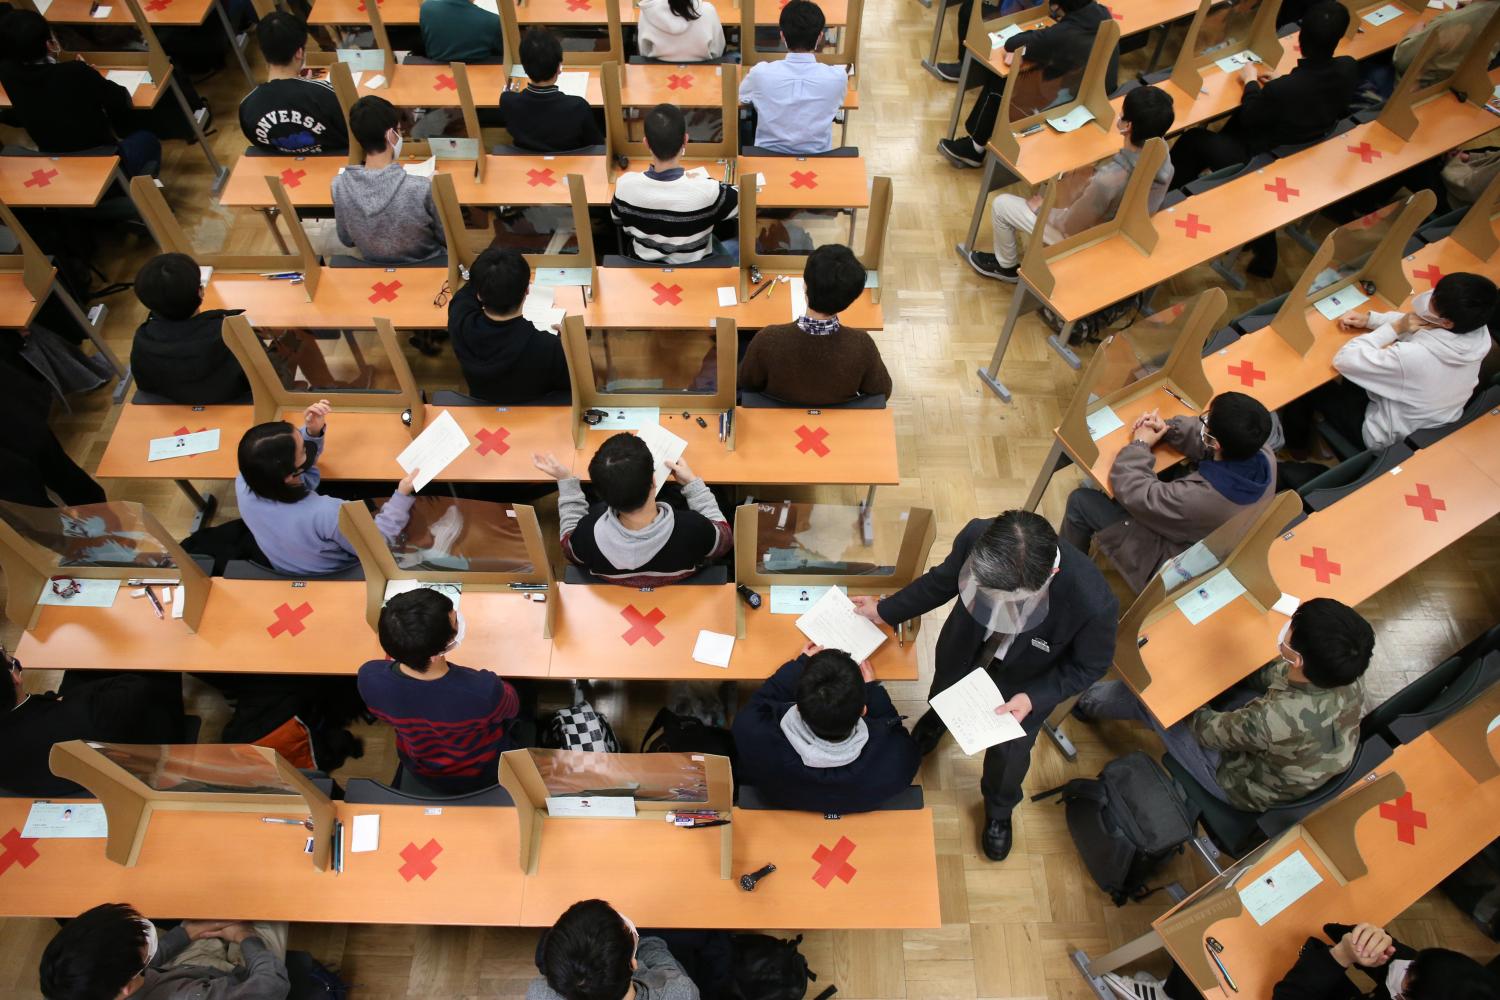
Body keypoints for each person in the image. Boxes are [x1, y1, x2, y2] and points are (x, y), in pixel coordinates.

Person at [852, 510, 1118, 862]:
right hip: (964, 650)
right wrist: (885, 611)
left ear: (1049, 576)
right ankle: (939, 720)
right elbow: (941, 581)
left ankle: (999, 809)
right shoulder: (978, 534)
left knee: (1009, 758)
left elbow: (1091, 665)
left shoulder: (1093, 602)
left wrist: (1034, 698)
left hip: (1027, 683)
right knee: (944, 695)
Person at [1078, 598, 1374, 810]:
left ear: (1298, 659)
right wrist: (1230, 668)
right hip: (1301, 764)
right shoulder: (1345, 672)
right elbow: (1278, 675)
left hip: (1241, 783)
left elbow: (1205, 730)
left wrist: (1189, 678)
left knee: (1153, 696)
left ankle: (1081, 699)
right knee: (1219, 688)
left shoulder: (1272, 720)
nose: (1287, 630)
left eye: (1291, 630)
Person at [1169, 2, 1357, 275]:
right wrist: (1283, 82)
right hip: (1305, 144)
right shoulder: (1348, 68)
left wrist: (1250, 82)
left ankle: (1169, 202)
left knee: (1193, 140)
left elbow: (1251, 116)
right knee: (1227, 129)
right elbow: (1314, 88)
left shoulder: (1285, 90)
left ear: (1301, 38)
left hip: (1263, 156)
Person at [1060, 391, 1276, 591]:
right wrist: (1168, 428)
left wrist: (1140, 444)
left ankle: (1062, 577)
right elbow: (1204, 443)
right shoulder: (1264, 455)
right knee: (1166, 470)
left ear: (1216, 443)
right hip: (1210, 541)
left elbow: (1133, 490)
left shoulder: (1198, 498)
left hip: (1170, 564)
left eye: (1207, 421)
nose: (1204, 423)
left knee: (1081, 501)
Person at [966, 84, 1174, 281]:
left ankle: (1006, 266)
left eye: (1123, 112)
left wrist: (1042, 210)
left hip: (1092, 238)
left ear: (1127, 126)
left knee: (1002, 205)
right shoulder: (1162, 154)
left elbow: (1071, 225)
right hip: (1129, 226)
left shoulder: (1107, 181)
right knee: (1065, 185)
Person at [1281, 272, 1497, 452]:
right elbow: (1419, 323)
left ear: (1447, 322)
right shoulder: (1475, 333)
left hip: (1385, 436)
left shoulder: (1416, 357)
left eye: (1433, 302)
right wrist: (1372, 320)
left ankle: (1297, 449)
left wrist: (1392, 330)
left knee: (1307, 384)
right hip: (1421, 422)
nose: (1429, 299)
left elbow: (1344, 360)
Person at [357, 588, 521, 792]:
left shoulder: (369, 677)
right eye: (455, 622)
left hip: (422, 769)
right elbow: (511, 707)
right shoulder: (482, 690)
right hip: (482, 768)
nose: (459, 622)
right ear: (434, 655)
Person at [235, 400, 417, 577]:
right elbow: (379, 543)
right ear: (290, 475)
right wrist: (401, 495)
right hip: (339, 574)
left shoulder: (245, 480)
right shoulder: (327, 513)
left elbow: (301, 475)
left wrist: (311, 432)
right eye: (303, 449)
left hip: (288, 565)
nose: (307, 447)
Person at [732, 643, 920, 813]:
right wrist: (874, 691)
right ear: (863, 710)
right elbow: (896, 731)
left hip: (784, 799)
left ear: (797, 705)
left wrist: (799, 665)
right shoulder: (898, 761)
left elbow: (759, 702)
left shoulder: (753, 734)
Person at [937, 0, 1119, 169]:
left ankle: (974, 148)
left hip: (1069, 103)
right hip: (1099, 96)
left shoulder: (1063, 35)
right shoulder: (1102, 15)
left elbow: (1012, 43)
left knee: (1001, 81)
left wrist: (1027, 47)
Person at [532, 435, 732, 585]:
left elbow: (569, 545)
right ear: (654, 481)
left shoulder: (586, 535)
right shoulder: (694, 528)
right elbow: (723, 539)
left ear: (600, 494)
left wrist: (566, 482)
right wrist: (692, 484)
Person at [0, 645, 184, 796]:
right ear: (14, 677)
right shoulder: (82, 713)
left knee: (79, 668)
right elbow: (137, 687)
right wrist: (77, 698)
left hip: (54, 783)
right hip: (136, 760)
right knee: (158, 660)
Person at [0, 9, 161, 177]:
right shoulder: (76, 72)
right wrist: (90, 75)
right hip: (104, 160)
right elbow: (120, 99)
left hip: (57, 162)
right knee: (147, 139)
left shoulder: (7, 74)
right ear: (48, 44)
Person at [738, 244, 893, 405]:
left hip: (779, 422)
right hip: (837, 425)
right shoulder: (862, 345)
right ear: (850, 300)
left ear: (805, 285)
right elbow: (882, 392)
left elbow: (746, 382)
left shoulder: (767, 339)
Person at [40, 902, 291, 1000]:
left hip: (186, 974)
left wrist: (188, 932)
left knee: (208, 913)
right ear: (127, 985)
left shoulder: (87, 989)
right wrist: (245, 936)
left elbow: (139, 971)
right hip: (241, 986)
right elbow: (270, 986)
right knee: (266, 910)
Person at [610, 103, 739, 264]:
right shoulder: (708, 191)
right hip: (697, 270)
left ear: (646, 143)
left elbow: (617, 220)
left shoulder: (624, 186)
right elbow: (743, 199)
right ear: (685, 140)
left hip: (643, 269)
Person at [332, 96, 446, 264]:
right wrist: (430, 189)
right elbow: (445, 236)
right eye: (399, 130)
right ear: (391, 135)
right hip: (427, 265)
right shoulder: (421, 188)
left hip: (372, 264)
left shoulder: (338, 186)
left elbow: (346, 239)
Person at [449, 248, 571, 404]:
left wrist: (489, 275)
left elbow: (464, 295)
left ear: (479, 294)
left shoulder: (460, 322)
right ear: (527, 290)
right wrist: (571, 345)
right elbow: (575, 385)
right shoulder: (550, 346)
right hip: (536, 415)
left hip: (482, 409)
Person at [129, 254, 250, 406]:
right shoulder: (232, 334)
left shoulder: (143, 340)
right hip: (236, 406)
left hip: (174, 409)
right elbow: (267, 377)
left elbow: (146, 386)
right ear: (200, 291)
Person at [1273, 921, 1500, 999]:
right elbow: (1334, 929)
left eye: (1409, 971)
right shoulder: (1437, 982)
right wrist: (1370, 937)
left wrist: (1341, 956)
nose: (1403, 964)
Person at [528, 899, 699, 1000]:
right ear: (633, 962)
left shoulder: (540, 994)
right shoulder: (680, 991)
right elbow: (659, 954)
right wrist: (644, 940)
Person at [738, 0, 847, 155]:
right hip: (819, 159)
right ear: (820, 37)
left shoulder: (760, 74)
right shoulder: (838, 77)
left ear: (782, 36)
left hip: (766, 159)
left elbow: (742, 96)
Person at [0, 350, 107, 508]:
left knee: (55, 478)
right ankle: (98, 516)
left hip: (15, 416)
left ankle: (101, 518)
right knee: (40, 492)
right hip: (17, 417)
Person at [237, 12, 349, 155]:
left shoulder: (247, 106)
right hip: (336, 165)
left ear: (264, 52)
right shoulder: (327, 94)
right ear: (299, 53)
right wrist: (311, 90)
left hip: (282, 170)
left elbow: (261, 145)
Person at [496, 30, 604, 152]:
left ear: (524, 68)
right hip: (570, 164)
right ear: (559, 68)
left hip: (526, 165)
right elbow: (597, 145)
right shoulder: (578, 106)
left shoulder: (507, 101)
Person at [1393, 0, 1500, 89]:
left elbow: (1401, 61)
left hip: (1412, 92)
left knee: (1378, 58)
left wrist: (1412, 33)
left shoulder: (1450, 21)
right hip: (1452, 90)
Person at [637, 0, 726, 63]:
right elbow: (718, 51)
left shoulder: (647, 10)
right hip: (703, 77)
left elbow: (644, 52)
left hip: (656, 78)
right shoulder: (708, 10)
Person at [420, 0, 503, 63]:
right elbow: (503, 54)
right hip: (478, 73)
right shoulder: (493, 21)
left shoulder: (426, 8)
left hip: (436, 70)